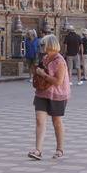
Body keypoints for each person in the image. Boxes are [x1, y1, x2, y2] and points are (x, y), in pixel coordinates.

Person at [29, 33, 70, 161]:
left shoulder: (60, 61)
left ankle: (59, 149)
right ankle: (38, 150)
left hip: (57, 94)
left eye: (43, 44)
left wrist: (43, 74)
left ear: (50, 45)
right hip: (42, 93)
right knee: (39, 120)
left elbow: (58, 81)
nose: (41, 46)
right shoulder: (44, 58)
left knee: (56, 121)